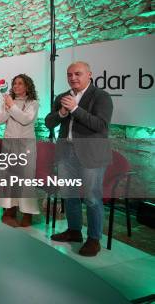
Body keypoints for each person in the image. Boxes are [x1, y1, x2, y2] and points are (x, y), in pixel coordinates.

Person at [46, 61, 113, 257]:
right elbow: (49, 122)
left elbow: (101, 125)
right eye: (69, 74)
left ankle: (94, 239)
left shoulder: (101, 96)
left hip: (91, 155)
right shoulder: (62, 97)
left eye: (78, 74)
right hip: (66, 154)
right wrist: (61, 113)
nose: (73, 78)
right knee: (69, 194)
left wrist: (75, 110)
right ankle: (74, 231)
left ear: (89, 75)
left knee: (92, 198)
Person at [0, 74, 39, 226]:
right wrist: (8, 107)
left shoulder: (33, 103)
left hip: (25, 146)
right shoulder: (8, 101)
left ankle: (27, 212)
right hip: (9, 144)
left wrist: (11, 106)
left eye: (20, 83)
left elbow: (25, 119)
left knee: (25, 178)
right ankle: (9, 209)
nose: (16, 86)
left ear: (27, 86)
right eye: (14, 83)